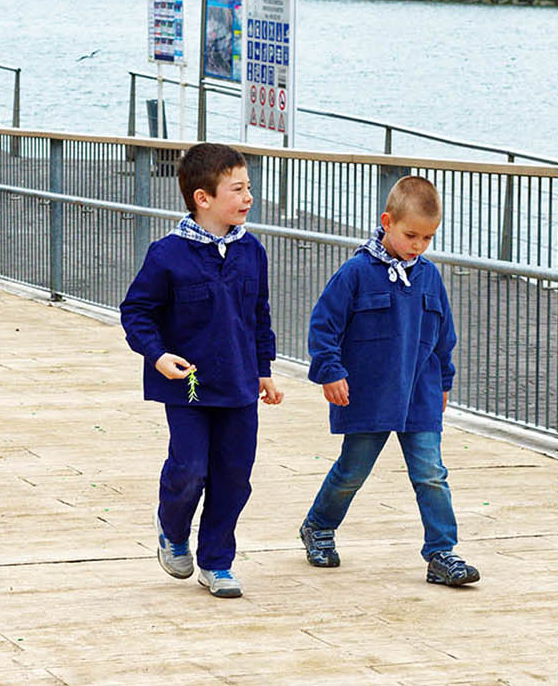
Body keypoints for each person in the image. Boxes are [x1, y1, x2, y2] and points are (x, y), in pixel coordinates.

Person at [120, 143, 282, 599]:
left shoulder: (252, 251)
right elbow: (136, 312)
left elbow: (259, 315)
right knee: (190, 468)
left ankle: (217, 561)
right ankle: (172, 529)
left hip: (239, 385)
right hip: (187, 384)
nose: (248, 197)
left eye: (249, 187)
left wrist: (263, 369)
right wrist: (156, 354)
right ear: (202, 198)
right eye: (237, 189)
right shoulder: (166, 254)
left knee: (234, 476)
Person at [299, 175, 478, 587]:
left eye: (428, 238)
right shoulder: (356, 273)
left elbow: (444, 336)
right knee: (352, 470)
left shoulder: (430, 277)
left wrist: (444, 381)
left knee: (431, 473)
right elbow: (324, 326)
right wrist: (330, 371)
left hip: (420, 395)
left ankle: (441, 552)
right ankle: (318, 527)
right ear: (387, 222)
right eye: (410, 235)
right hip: (368, 393)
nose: (418, 245)